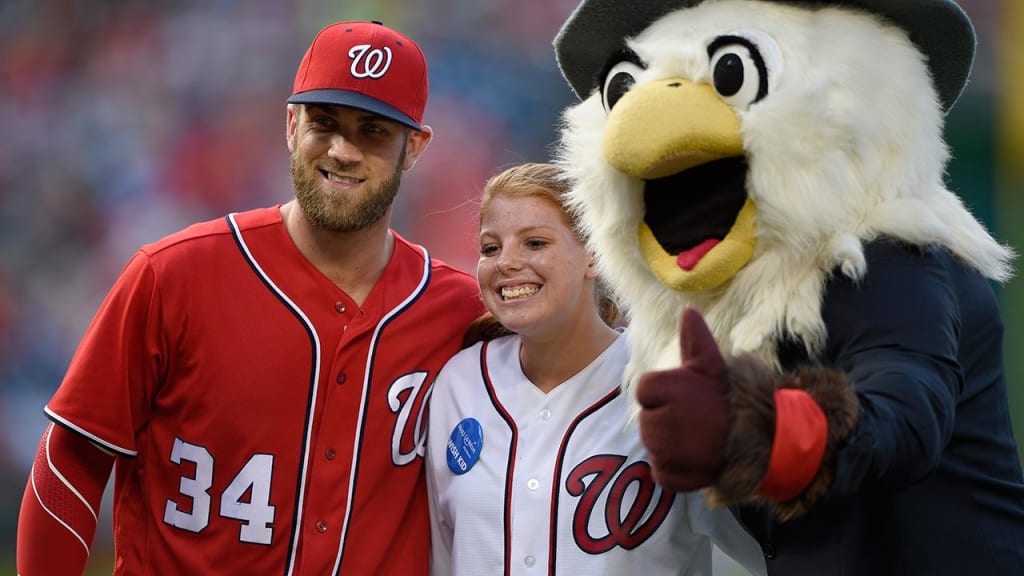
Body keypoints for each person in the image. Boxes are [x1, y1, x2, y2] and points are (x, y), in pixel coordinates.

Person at [16, 20, 484, 575]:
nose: (342, 149)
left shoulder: (461, 313)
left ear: (415, 147)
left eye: (374, 131)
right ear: (290, 124)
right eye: (324, 122)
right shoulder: (174, 276)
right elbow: (69, 461)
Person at [425, 163, 766, 576]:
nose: (506, 262)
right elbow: (442, 558)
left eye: (534, 243)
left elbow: (772, 548)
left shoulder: (667, 381)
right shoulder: (458, 385)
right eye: (491, 248)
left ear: (594, 254)